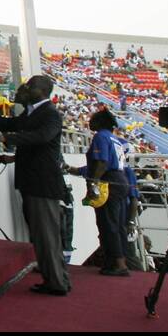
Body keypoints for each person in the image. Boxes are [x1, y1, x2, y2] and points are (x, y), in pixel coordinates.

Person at [0, 75, 72, 295]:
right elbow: (14, 126)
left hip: (42, 184)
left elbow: (40, 137)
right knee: (42, 235)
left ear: (43, 90)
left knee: (46, 236)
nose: (26, 88)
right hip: (34, 182)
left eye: (31, 86)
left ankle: (56, 282)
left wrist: (7, 138)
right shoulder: (34, 113)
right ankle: (56, 279)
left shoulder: (50, 114)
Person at [70, 110, 131, 277]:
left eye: (93, 120)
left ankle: (119, 264)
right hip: (120, 181)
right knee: (118, 225)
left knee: (108, 224)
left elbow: (102, 162)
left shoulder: (100, 137)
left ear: (100, 122)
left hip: (108, 181)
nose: (90, 122)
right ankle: (118, 261)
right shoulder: (114, 139)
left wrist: (93, 183)